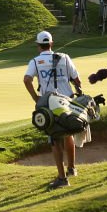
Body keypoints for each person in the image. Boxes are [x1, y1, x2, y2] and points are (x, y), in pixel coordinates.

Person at [23, 31, 82, 190]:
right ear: (51, 43)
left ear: (38, 46)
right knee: (68, 134)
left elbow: (27, 80)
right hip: (68, 101)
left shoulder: (35, 61)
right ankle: (72, 169)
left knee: (54, 139)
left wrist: (36, 98)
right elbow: (77, 80)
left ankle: (62, 179)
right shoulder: (65, 57)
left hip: (50, 103)